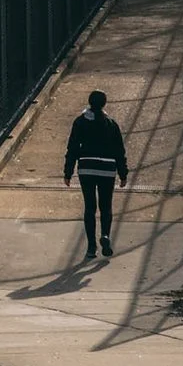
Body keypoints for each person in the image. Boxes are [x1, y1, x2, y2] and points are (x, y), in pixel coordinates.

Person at [62, 89, 129, 260]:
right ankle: (105, 235)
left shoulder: (80, 122)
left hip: (87, 168)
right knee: (106, 206)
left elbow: (72, 148)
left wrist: (68, 172)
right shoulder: (111, 124)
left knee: (90, 207)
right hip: (107, 169)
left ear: (89, 102)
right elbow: (119, 151)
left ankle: (91, 247)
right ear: (104, 104)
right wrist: (123, 174)